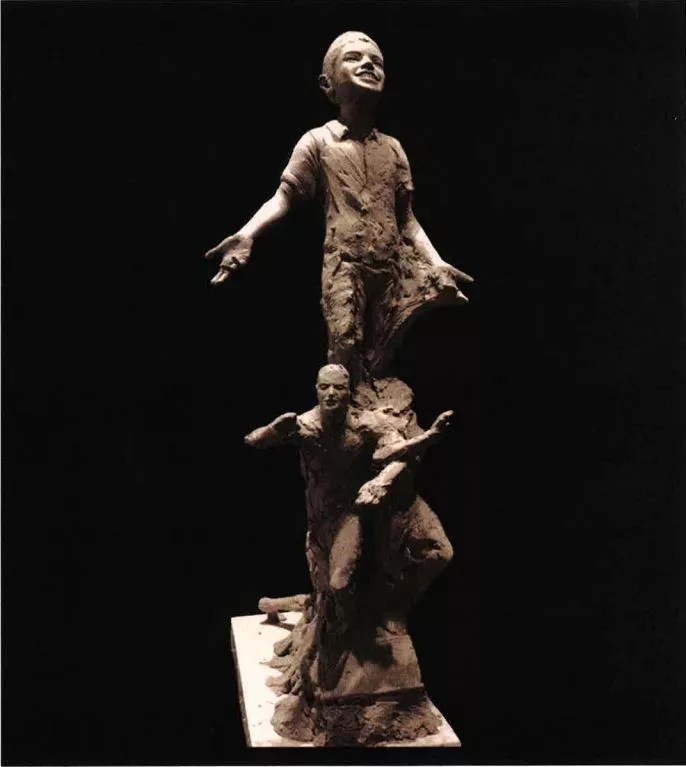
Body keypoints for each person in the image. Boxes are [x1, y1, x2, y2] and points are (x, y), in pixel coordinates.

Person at [206, 31, 473, 381]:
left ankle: (375, 408)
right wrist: (247, 234)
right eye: (353, 58)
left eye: (376, 61)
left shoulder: (393, 149)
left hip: (391, 268)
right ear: (327, 84)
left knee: (384, 351)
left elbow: (407, 220)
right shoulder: (318, 141)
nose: (368, 64)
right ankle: (341, 407)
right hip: (345, 265)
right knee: (345, 345)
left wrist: (436, 263)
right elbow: (284, 196)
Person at [244, 364, 453, 603]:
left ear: (348, 392)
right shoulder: (306, 425)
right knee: (330, 590)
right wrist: (270, 431)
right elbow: (254, 441)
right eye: (325, 387)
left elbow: (392, 451)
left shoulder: (363, 422)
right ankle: (310, 604)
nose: (331, 393)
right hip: (319, 516)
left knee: (340, 584)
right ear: (316, 390)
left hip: (349, 512)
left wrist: (427, 438)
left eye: (338, 387)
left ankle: (378, 605)